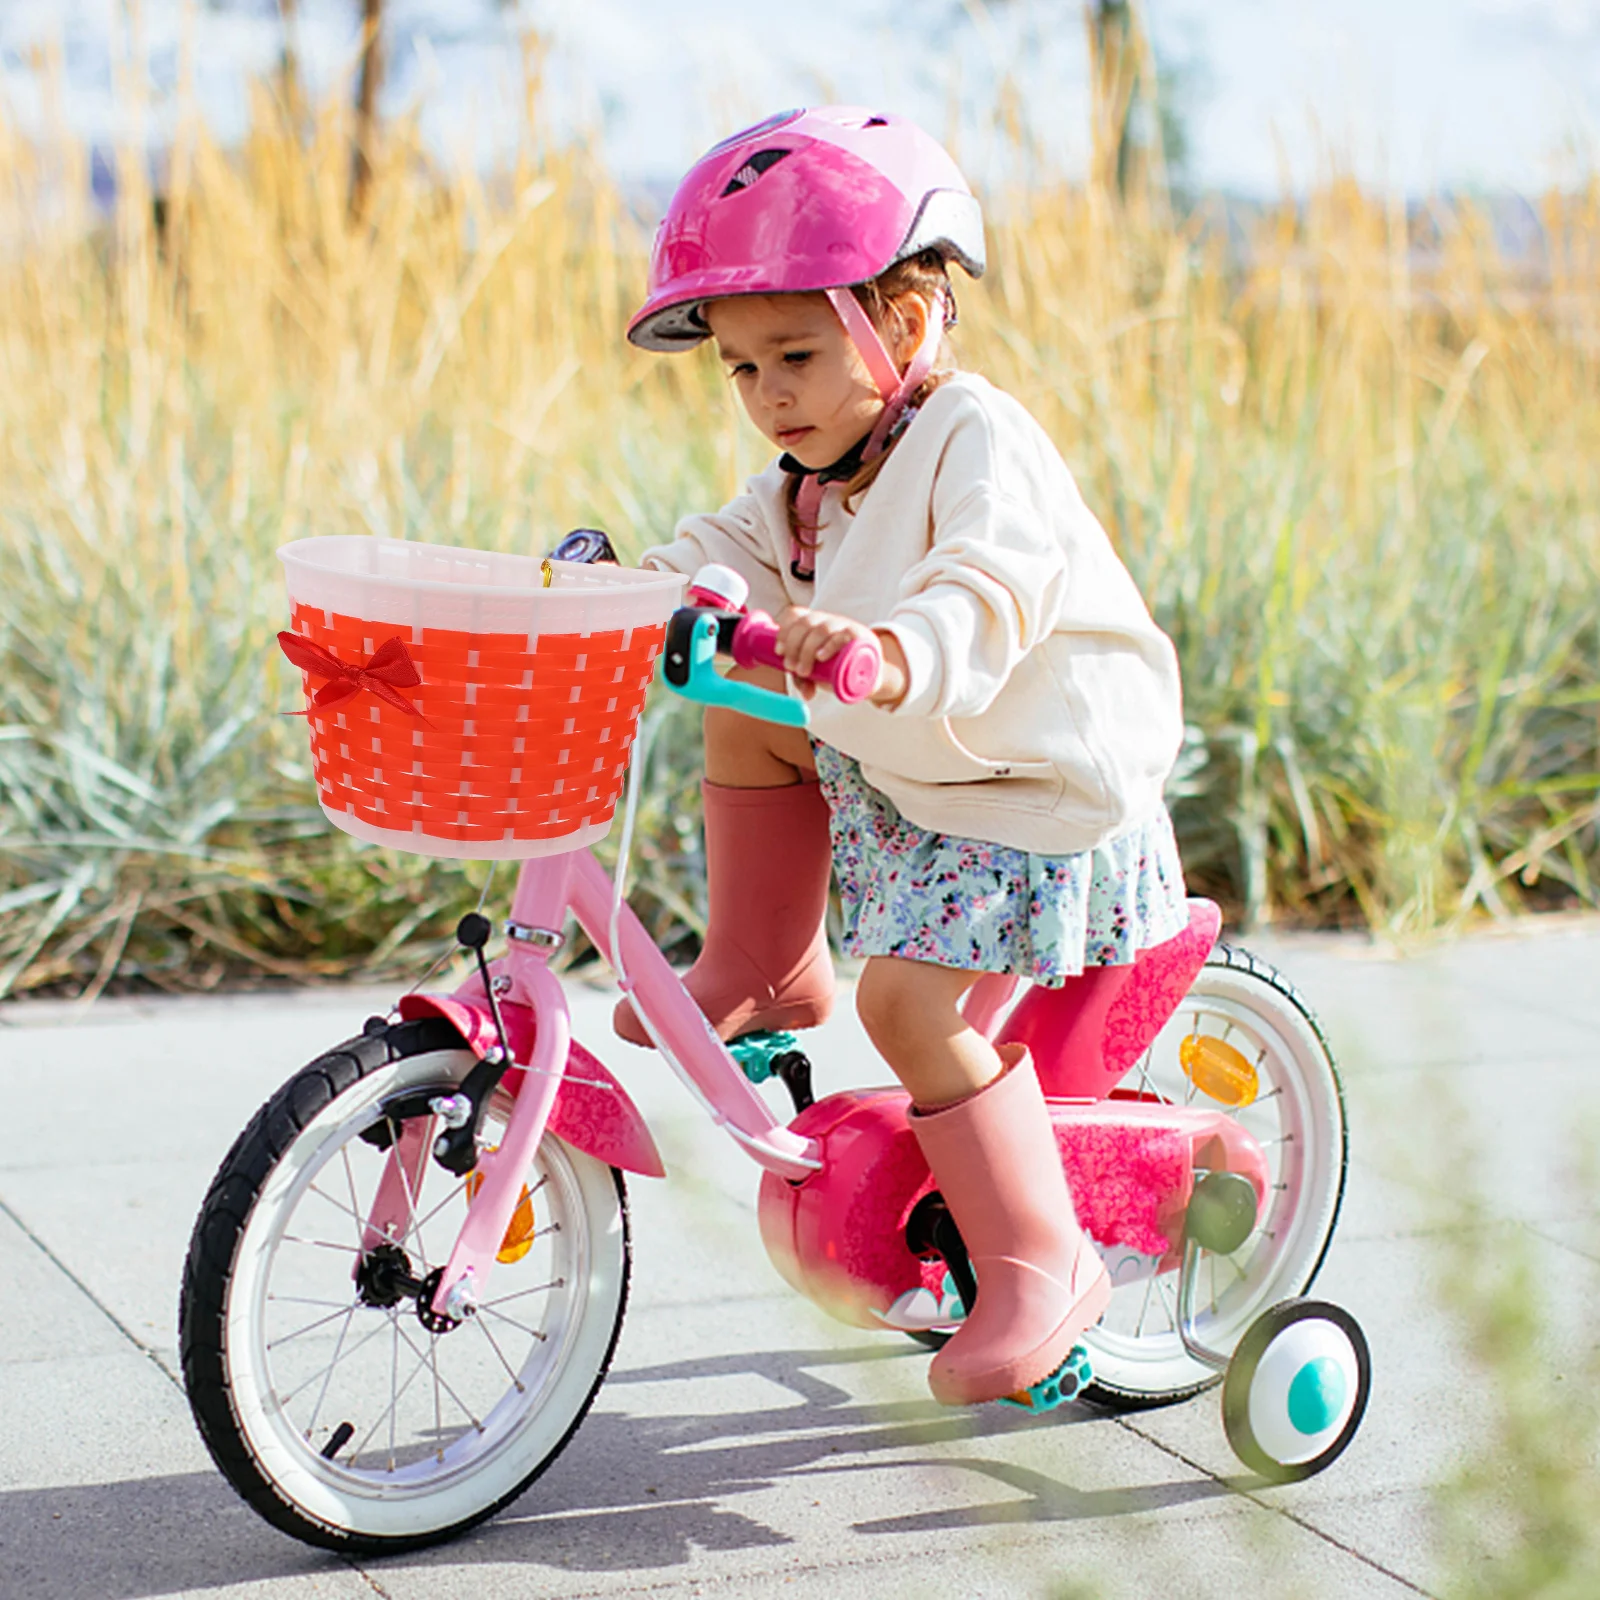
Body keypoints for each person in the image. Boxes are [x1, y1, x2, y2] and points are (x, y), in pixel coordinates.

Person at [615, 107, 1189, 1408]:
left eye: (799, 356)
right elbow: (717, 553)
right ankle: (765, 962)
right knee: (741, 691)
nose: (770, 396)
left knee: (907, 1011)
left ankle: (1041, 1262)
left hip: (1031, 787)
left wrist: (891, 653)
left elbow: (984, 587)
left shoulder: (978, 442)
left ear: (909, 325)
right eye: (744, 369)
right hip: (923, 764)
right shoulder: (808, 484)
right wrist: (612, 597)